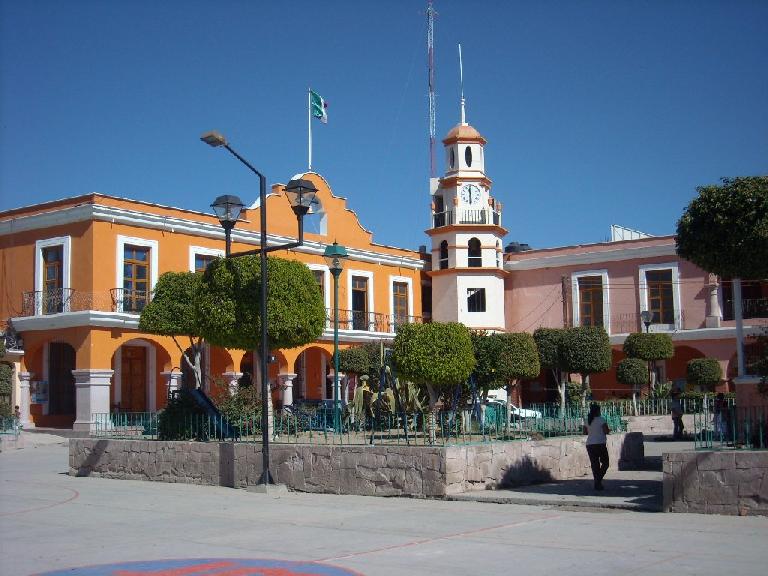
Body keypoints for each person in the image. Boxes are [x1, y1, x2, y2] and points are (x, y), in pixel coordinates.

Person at [583, 403, 610, 490]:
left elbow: (585, 432)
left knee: (595, 465)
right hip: (600, 444)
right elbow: (606, 431)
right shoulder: (601, 420)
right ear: (598, 411)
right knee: (605, 463)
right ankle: (598, 481)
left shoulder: (587, 420)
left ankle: (597, 483)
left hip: (590, 444)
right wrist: (608, 430)